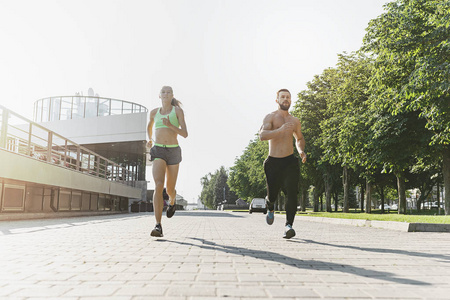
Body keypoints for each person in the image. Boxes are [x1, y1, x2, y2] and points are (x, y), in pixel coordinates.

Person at [259, 88, 306, 239]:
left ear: (291, 101)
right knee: (272, 194)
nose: (285, 99)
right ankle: (270, 205)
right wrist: (279, 130)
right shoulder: (271, 117)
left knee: (292, 193)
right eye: (283, 97)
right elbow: (262, 135)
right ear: (277, 100)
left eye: (288, 97)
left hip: (290, 161)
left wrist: (300, 151)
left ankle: (288, 226)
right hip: (273, 162)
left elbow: (299, 138)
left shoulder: (295, 121)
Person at [147, 86, 188, 237]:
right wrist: (150, 140)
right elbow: (149, 126)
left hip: (173, 151)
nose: (165, 94)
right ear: (159, 95)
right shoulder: (153, 112)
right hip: (158, 150)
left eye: (168, 92)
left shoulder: (177, 111)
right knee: (158, 185)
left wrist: (171, 125)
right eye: (163, 92)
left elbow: (185, 133)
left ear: (172, 96)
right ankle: (158, 225)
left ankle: (172, 201)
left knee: (170, 189)